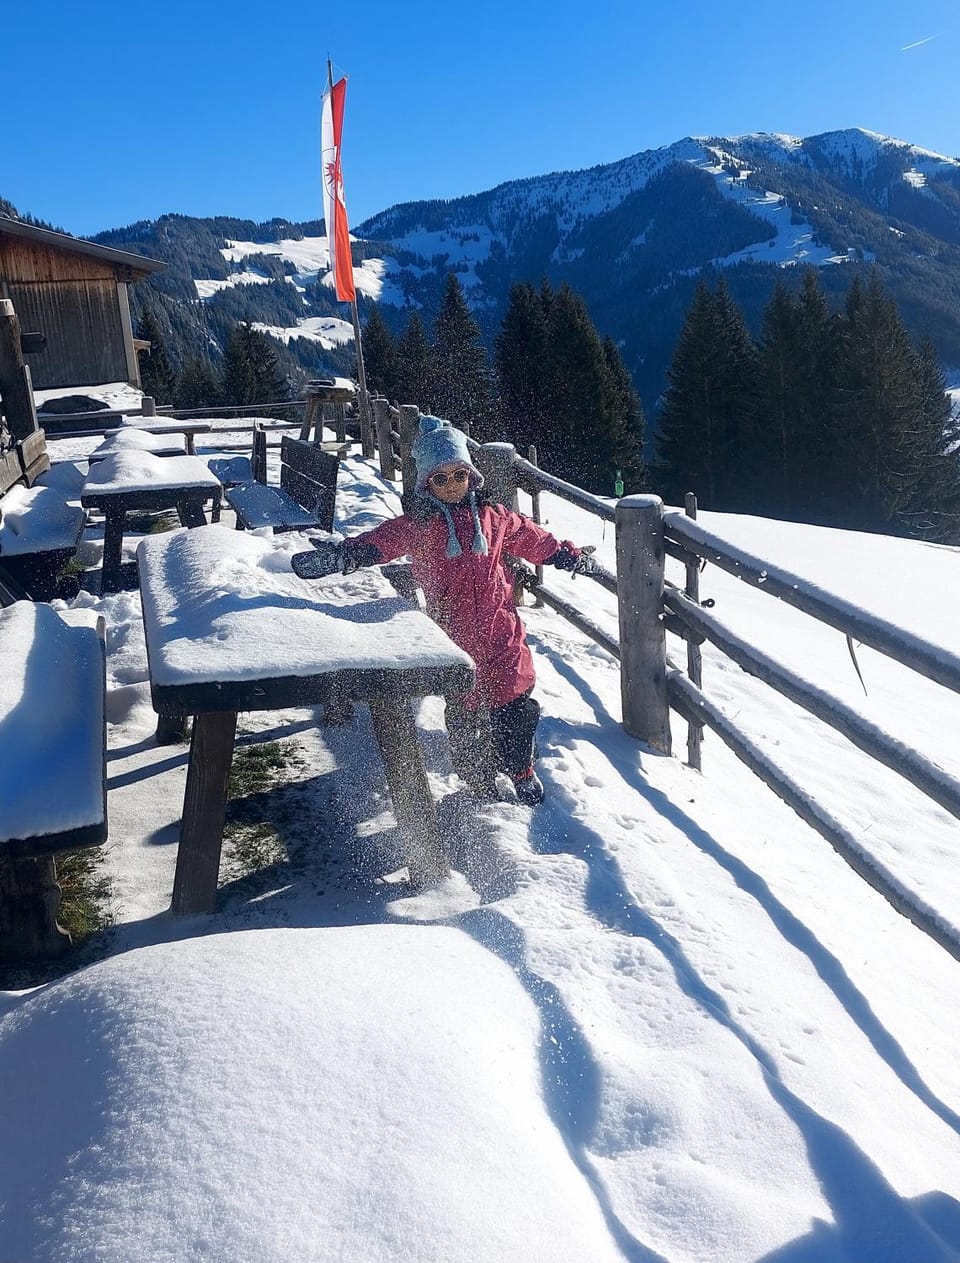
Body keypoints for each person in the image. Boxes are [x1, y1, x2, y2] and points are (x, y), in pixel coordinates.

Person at [293, 415, 598, 806]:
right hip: (453, 638)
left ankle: (520, 771)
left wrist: (566, 556)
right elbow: (384, 541)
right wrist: (350, 554)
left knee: (515, 707)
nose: (452, 485)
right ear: (426, 483)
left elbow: (533, 538)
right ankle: (479, 781)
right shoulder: (418, 525)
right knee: (465, 713)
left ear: (472, 476)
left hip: (502, 633)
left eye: (459, 475)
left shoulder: (496, 518)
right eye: (441, 478)